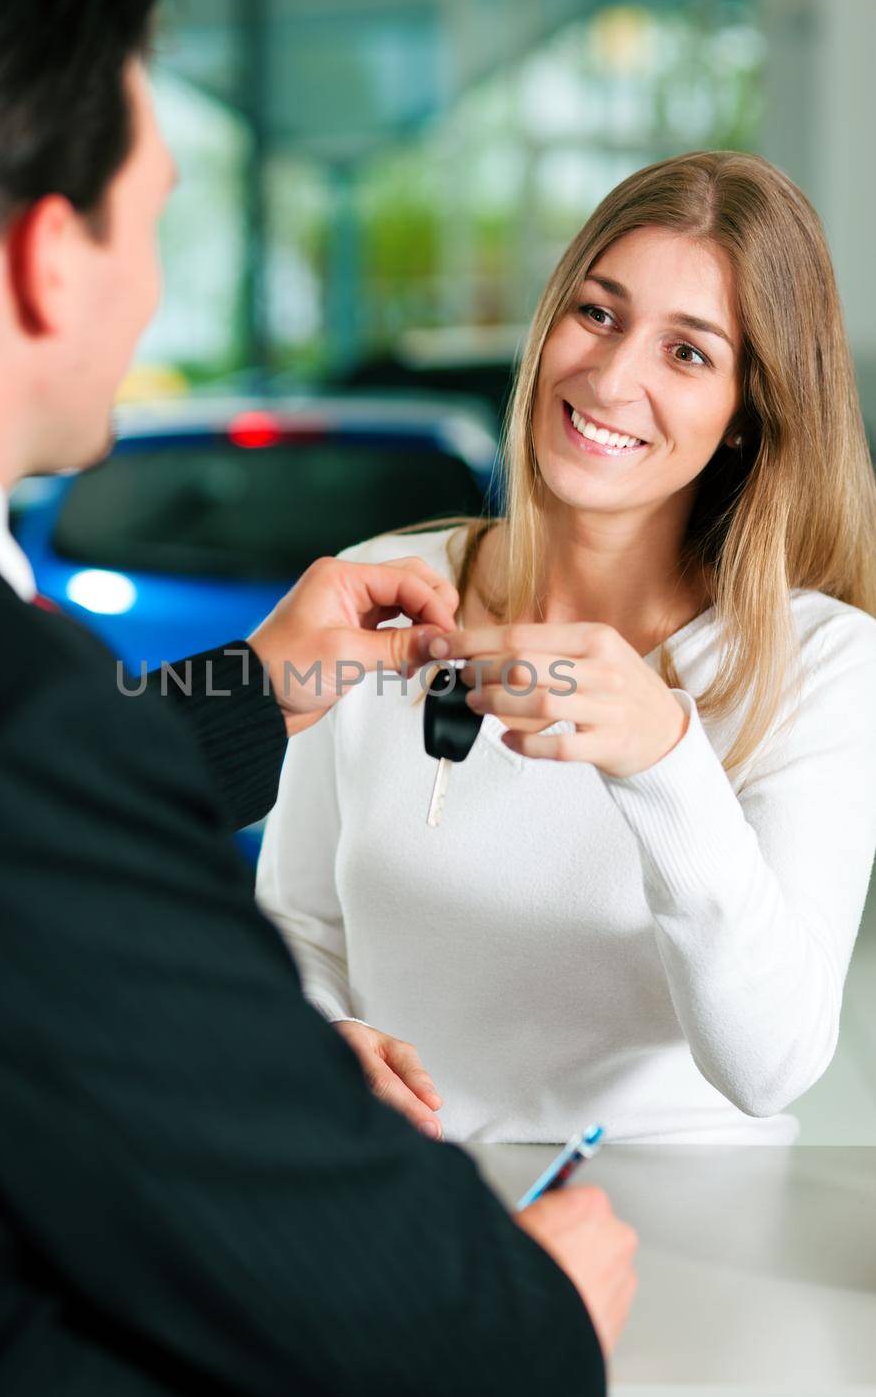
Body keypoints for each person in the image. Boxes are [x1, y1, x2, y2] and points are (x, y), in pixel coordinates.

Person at [0, 0, 639, 1397]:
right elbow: (410, 1319)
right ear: (53, 258)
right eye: (155, 214)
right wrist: (528, 1312)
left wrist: (246, 692)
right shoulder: (12, 721)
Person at [257, 150, 876, 1147]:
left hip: (684, 1236)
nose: (612, 374)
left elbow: (771, 1066)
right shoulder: (380, 591)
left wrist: (664, 757)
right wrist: (321, 1034)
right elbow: (295, 919)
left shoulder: (825, 663)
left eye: (687, 352)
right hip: (399, 1210)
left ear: (741, 417)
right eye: (597, 312)